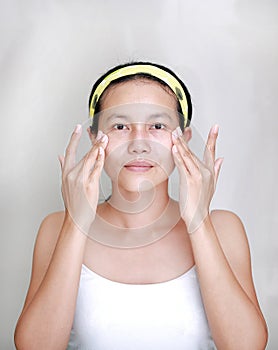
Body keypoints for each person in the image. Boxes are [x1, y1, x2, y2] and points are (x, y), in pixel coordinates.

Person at [14, 62, 268, 349]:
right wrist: (76, 223)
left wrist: (199, 223)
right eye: (120, 126)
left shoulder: (224, 228)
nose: (138, 144)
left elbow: (246, 346)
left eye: (157, 126)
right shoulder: (56, 227)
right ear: (95, 139)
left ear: (183, 139)